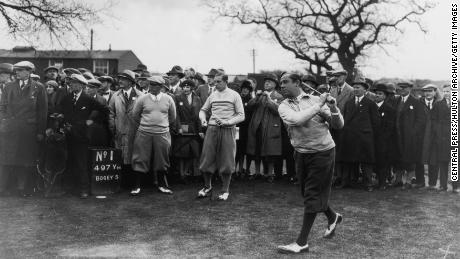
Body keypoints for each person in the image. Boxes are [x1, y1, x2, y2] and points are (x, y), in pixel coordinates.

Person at [277, 73, 343, 253]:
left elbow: (338, 125)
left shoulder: (315, 99)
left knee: (312, 193)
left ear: (297, 83)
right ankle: (332, 216)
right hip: (301, 153)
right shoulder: (283, 106)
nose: (281, 86)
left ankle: (301, 242)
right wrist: (319, 105)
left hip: (323, 152)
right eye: (280, 83)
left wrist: (334, 108)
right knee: (308, 194)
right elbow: (297, 120)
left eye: (285, 82)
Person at [55, 74, 109, 198]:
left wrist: (92, 121)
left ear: (82, 85)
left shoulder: (88, 99)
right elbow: (59, 110)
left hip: (82, 136)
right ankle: (70, 188)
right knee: (69, 161)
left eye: (76, 83)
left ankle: (84, 189)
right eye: (71, 83)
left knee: (81, 163)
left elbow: (104, 111)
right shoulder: (67, 98)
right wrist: (60, 117)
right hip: (68, 135)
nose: (73, 85)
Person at [0, 61, 47, 197]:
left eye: (20, 70)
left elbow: (42, 112)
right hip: (10, 129)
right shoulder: (8, 87)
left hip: (28, 131)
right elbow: (2, 107)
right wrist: (3, 123)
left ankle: (23, 189)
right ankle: (3, 188)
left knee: (26, 161)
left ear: (29, 72)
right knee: (6, 160)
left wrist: (40, 132)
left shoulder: (39, 88)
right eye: (17, 70)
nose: (17, 72)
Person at [197, 72, 244, 201]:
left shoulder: (234, 95)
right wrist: (203, 120)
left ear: (225, 81)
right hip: (212, 129)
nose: (215, 83)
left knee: (227, 160)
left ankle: (225, 190)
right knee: (207, 158)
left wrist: (228, 122)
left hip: (228, 129)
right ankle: (207, 187)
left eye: (218, 81)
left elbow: (241, 115)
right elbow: (203, 110)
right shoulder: (212, 95)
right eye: (214, 81)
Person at [131, 76, 176, 195]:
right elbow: (135, 115)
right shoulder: (142, 98)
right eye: (151, 84)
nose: (152, 87)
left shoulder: (168, 99)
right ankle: (137, 186)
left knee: (162, 160)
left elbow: (173, 117)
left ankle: (162, 185)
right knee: (140, 158)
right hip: (144, 133)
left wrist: (161, 126)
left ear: (161, 87)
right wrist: (146, 125)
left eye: (155, 85)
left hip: (162, 134)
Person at [338, 78, 380, 191]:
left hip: (365, 137)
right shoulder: (349, 103)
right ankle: (347, 181)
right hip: (350, 136)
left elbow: (376, 123)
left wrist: (371, 136)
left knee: (366, 161)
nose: (355, 89)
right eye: (354, 87)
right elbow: (345, 119)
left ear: (365, 90)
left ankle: (368, 183)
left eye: (358, 87)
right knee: (348, 160)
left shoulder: (370, 104)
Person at [109, 70, 143, 192]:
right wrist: (113, 127)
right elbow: (111, 113)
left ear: (130, 81)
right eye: (119, 78)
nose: (120, 81)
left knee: (136, 157)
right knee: (122, 157)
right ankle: (123, 184)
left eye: (123, 79)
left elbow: (144, 114)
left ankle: (136, 184)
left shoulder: (140, 96)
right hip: (120, 131)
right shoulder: (116, 96)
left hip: (136, 132)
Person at [246, 73, 283, 182]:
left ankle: (270, 174)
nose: (266, 83)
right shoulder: (260, 95)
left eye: (270, 82)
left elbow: (278, 110)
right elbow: (249, 106)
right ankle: (257, 172)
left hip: (271, 127)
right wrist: (256, 97)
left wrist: (269, 99)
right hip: (257, 125)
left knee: (270, 151)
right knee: (256, 149)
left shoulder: (279, 96)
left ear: (275, 85)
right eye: (266, 82)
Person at [393, 81, 426, 189]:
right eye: (400, 87)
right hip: (397, 135)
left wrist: (413, 132)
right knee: (398, 157)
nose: (402, 89)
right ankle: (398, 180)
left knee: (409, 158)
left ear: (409, 89)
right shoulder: (396, 100)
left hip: (409, 137)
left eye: (404, 88)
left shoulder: (416, 102)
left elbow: (421, 120)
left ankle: (408, 181)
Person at [173, 79, 203, 183]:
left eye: (188, 87)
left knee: (193, 152)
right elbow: (176, 114)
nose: (185, 89)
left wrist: (200, 130)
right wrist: (179, 127)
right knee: (182, 152)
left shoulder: (197, 99)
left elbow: (200, 116)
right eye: (184, 87)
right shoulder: (177, 98)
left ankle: (185, 172)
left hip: (194, 129)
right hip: (183, 127)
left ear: (192, 88)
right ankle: (182, 175)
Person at [328, 69, 354, 187]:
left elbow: (352, 110)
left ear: (344, 76)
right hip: (334, 126)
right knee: (336, 152)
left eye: (338, 76)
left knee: (345, 153)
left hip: (347, 126)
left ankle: (346, 179)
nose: (336, 78)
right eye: (334, 76)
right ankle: (337, 177)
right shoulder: (332, 90)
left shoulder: (351, 91)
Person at [428, 84, 453, 191]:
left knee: (456, 163)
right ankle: (443, 185)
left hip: (455, 139)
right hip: (442, 138)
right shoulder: (438, 105)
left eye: (449, 91)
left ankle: (456, 186)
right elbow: (433, 120)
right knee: (443, 162)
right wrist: (438, 132)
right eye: (445, 91)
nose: (447, 93)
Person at [372, 83, 396, 190]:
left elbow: (390, 127)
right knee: (374, 161)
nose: (377, 95)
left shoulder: (389, 109)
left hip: (383, 141)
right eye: (376, 93)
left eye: (380, 94)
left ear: (385, 96)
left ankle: (382, 182)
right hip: (371, 139)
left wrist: (382, 138)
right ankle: (374, 180)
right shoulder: (371, 106)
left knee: (383, 162)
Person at [235, 80, 254, 177]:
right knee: (236, 148)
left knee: (244, 149)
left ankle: (242, 169)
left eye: (247, 89)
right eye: (243, 89)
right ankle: (234, 169)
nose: (245, 91)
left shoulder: (251, 100)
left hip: (247, 128)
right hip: (237, 127)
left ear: (249, 90)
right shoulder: (237, 98)